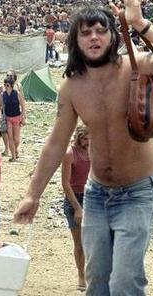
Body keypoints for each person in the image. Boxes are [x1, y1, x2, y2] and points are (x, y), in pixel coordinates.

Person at [14, 0, 153, 296]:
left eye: (101, 30)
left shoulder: (135, 66)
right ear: (75, 41)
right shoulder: (72, 87)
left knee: (125, 280)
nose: (94, 37)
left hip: (139, 190)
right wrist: (33, 194)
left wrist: (139, 23)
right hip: (96, 194)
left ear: (112, 36)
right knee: (97, 280)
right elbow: (56, 142)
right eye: (86, 32)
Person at [61, 125, 91, 292]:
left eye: (90, 139)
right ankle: (81, 274)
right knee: (79, 242)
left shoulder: (94, 151)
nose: (88, 142)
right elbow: (66, 184)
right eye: (85, 139)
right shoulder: (70, 154)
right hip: (75, 198)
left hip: (92, 197)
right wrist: (77, 208)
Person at [1, 76, 26, 162]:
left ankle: (15, 150)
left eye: (7, 85)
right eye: (4, 85)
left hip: (16, 117)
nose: (5, 86)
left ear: (11, 85)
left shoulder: (17, 94)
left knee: (16, 139)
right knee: (10, 137)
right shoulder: (3, 94)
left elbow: (23, 105)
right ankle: (13, 156)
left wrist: (23, 117)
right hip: (8, 118)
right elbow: (2, 106)